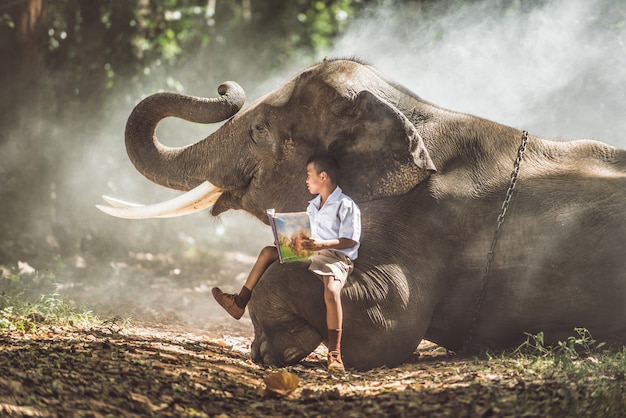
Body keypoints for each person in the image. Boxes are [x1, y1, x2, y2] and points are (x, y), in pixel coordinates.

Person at [211, 154, 361, 371]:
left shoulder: (346, 205)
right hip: (311, 252)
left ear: (323, 176)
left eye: (309, 175)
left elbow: (351, 238)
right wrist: (285, 239)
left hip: (334, 257)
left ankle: (335, 354)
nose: (307, 180)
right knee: (267, 253)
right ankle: (239, 302)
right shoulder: (313, 206)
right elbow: (306, 233)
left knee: (331, 291)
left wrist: (322, 244)